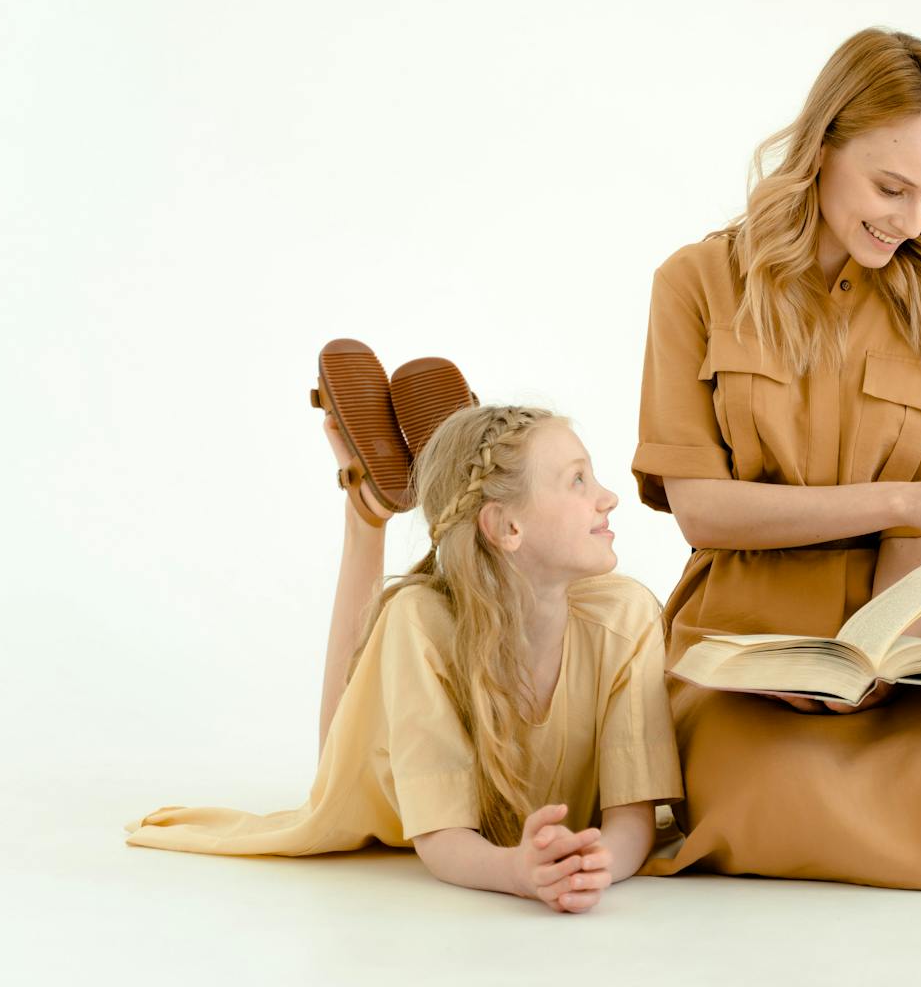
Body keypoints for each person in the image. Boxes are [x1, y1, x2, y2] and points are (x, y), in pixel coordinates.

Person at [633, 27, 921, 889]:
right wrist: (906, 499)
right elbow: (701, 508)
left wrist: (872, 666)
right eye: (890, 186)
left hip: (904, 643)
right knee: (762, 805)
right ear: (821, 148)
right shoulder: (696, 283)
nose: (911, 220)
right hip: (741, 647)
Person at [127, 346, 682, 914]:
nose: (609, 497)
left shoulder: (627, 616)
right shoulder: (420, 622)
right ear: (508, 525)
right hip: (385, 775)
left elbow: (632, 818)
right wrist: (516, 871)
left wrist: (596, 866)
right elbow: (441, 841)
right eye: (578, 481)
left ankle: (451, 457)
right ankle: (367, 512)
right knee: (344, 756)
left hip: (485, 552)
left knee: (410, 622)